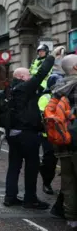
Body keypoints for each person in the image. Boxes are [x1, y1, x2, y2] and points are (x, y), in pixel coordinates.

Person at [3, 46, 60, 209]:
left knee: (14, 166)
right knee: (32, 166)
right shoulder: (24, 87)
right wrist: (52, 57)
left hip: (13, 133)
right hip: (27, 134)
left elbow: (40, 85)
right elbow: (40, 74)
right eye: (28, 74)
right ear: (21, 77)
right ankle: (30, 199)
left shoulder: (12, 89)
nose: (30, 76)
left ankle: (10, 196)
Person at [50, 54, 77, 229]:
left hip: (61, 142)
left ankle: (71, 218)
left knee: (68, 182)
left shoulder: (57, 88)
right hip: (76, 141)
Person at [37, 74, 62, 195]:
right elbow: (45, 116)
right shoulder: (45, 97)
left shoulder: (64, 96)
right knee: (50, 160)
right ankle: (46, 183)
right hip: (49, 135)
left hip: (63, 134)